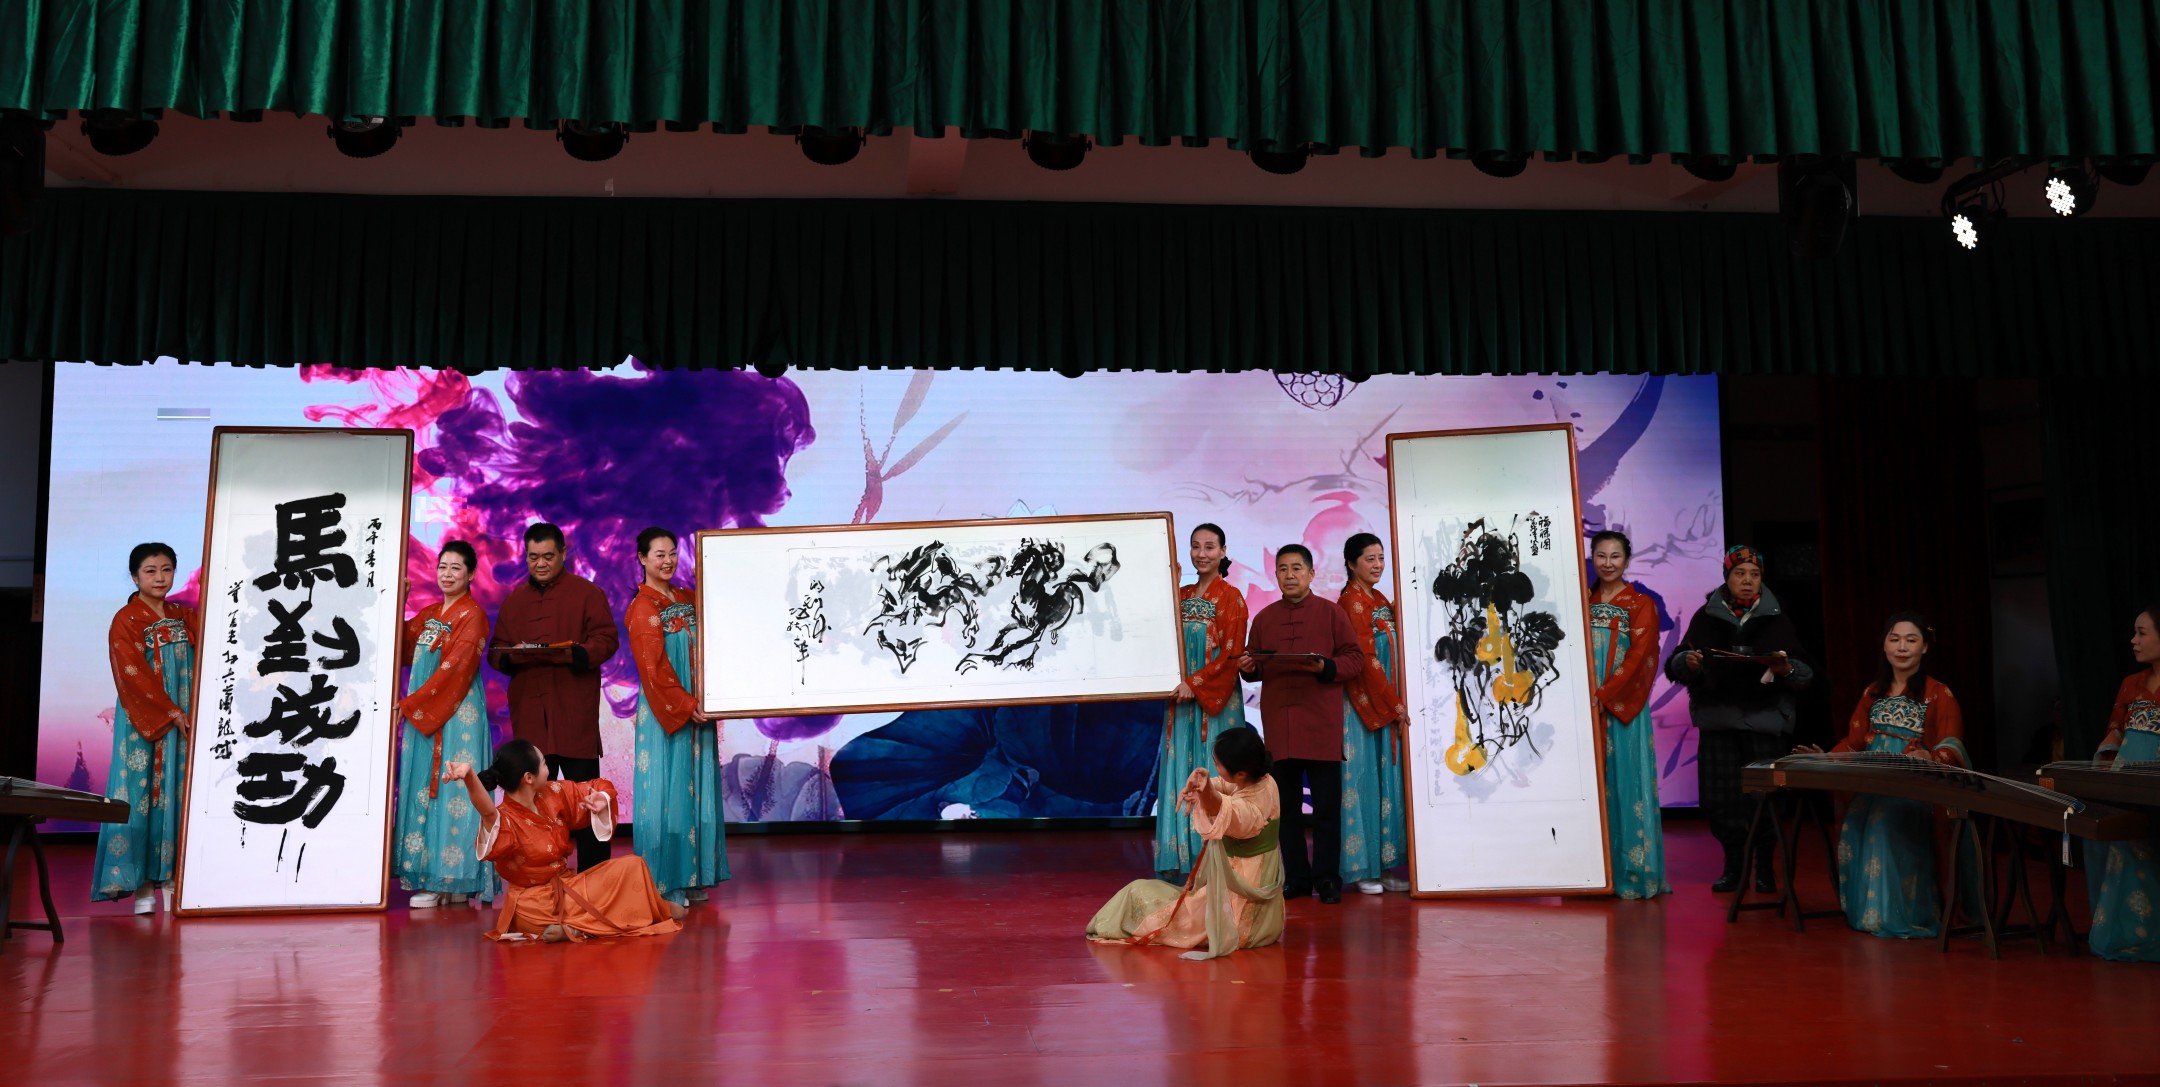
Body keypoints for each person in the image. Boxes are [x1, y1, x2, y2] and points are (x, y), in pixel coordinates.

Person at [1799, 613, 1969, 939]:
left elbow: (1951, 743)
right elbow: (1854, 742)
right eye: (1895, 639)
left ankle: (1901, 915)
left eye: (1911, 640)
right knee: (1854, 824)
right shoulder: (1873, 692)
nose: (1902, 647)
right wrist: (1825, 758)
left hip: (1913, 791)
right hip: (1872, 787)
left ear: (1925, 647)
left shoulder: (1939, 693)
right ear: (1884, 646)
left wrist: (1931, 757)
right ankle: (1866, 914)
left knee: (1883, 824)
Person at [1664, 545, 1812, 894]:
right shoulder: (1705, 616)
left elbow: (1805, 673)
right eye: (1740, 574)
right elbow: (1678, 661)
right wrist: (1688, 662)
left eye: (1754, 574)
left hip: (1764, 723)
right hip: (1719, 723)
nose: (1747, 580)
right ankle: (1733, 866)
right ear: (1726, 577)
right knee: (1721, 799)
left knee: (1766, 798)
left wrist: (1785, 668)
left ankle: (1764, 867)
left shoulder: (1778, 618)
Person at [442, 739, 684, 941]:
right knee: (606, 898)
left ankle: (575, 928)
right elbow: (486, 811)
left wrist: (600, 798)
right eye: (544, 764)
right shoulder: (504, 819)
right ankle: (609, 919)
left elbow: (595, 785)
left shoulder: (551, 792)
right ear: (529, 777)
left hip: (567, 886)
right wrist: (470, 777)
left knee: (633, 865)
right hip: (535, 904)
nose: (548, 768)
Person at [487, 522, 620, 872]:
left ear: (563, 553)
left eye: (548, 556)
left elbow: (607, 639)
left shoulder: (587, 593)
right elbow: (496, 651)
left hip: (574, 714)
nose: (541, 563)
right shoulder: (515, 601)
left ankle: (595, 879)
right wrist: (511, 656)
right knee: (531, 806)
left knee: (587, 800)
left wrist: (576, 653)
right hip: (531, 716)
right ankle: (539, 879)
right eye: (533, 557)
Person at [1088, 727, 1284, 958]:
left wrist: (1206, 793)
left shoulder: (1249, 809)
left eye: (1218, 764)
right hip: (1262, 912)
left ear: (1241, 773)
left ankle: (1110, 923)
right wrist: (1204, 787)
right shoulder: (1264, 781)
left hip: (1237, 913)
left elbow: (1225, 809)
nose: (1215, 767)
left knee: (1136, 893)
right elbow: (1225, 788)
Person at [1238, 545, 1364, 904]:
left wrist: (1326, 667)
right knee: (1286, 811)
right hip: (1280, 724)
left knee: (1326, 810)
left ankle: (1327, 878)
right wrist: (1249, 668)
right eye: (1282, 569)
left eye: (1296, 568)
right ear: (1275, 575)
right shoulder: (1264, 618)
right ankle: (1296, 878)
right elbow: (1255, 664)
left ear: (1311, 574)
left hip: (1320, 724)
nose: (1289, 575)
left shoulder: (1331, 613)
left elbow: (1355, 659)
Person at [625, 527, 729, 906]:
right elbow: (653, 669)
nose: (668, 561)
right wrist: (686, 705)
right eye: (659, 555)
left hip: (697, 707)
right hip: (666, 711)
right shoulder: (643, 607)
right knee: (667, 790)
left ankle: (693, 875)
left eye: (672, 553)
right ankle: (664, 882)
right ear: (642, 558)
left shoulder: (686, 597)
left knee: (696, 786)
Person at [92, 543, 197, 913]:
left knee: (179, 793)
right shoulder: (126, 619)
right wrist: (169, 710)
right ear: (135, 577)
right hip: (144, 719)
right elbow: (131, 673)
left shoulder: (184, 616)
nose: (160, 578)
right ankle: (143, 888)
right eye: (150, 571)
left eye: (167, 569)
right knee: (140, 795)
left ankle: (174, 879)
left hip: (185, 719)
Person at [392, 540, 496, 908]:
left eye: (456, 568)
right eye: (443, 567)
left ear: (470, 574)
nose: (447, 574)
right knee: (424, 786)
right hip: (427, 712)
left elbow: (456, 669)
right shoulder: (430, 613)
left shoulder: (473, 615)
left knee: (455, 793)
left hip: (457, 716)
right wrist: (400, 601)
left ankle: (452, 879)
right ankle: (432, 877)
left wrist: (411, 704)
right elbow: (401, 648)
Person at [1155, 522, 1248, 879]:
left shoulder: (1232, 597)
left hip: (1214, 702)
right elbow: (1156, 636)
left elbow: (1230, 655)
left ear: (1223, 552)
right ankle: (1181, 858)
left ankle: (1214, 862)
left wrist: (1194, 683)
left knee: (1213, 770)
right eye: (1196, 546)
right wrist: (1165, 588)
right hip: (1181, 700)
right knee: (1181, 769)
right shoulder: (1180, 594)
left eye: (1210, 547)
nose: (1202, 553)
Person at [1586, 530, 1669, 900]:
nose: (1608, 563)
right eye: (1601, 556)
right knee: (1589, 786)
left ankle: (1633, 872)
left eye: (1615, 556)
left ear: (1627, 560)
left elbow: (1641, 658)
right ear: (1592, 558)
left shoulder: (1640, 603)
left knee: (1626, 782)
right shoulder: (1582, 601)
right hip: (1586, 709)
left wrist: (1605, 696)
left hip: (1621, 707)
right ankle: (1590, 873)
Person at [1335, 532, 1409, 895]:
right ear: (1351, 564)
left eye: (1381, 558)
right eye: (1370, 559)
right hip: (1361, 705)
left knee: (1384, 783)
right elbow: (1365, 659)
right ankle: (1361, 868)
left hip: (1384, 699)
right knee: (1362, 782)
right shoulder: (1352, 602)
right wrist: (1394, 703)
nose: (1378, 565)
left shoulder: (1378, 599)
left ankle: (1384, 866)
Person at [2086, 604, 2160, 962]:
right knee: (2117, 842)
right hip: (2126, 785)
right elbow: (2115, 730)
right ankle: (2125, 935)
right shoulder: (2131, 683)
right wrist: (2107, 757)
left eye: (2141, 633)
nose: (2133, 640)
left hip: (2154, 787)